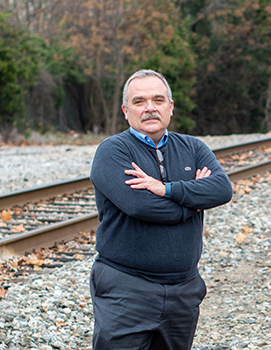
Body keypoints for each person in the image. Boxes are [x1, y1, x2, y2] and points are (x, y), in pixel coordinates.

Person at [89, 69, 233, 349]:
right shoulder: (112, 151)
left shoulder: (193, 147)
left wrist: (168, 189)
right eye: (139, 101)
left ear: (170, 106)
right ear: (125, 110)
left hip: (183, 290)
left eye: (158, 99)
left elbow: (222, 189)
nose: (150, 108)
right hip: (126, 288)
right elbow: (141, 206)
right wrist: (193, 201)